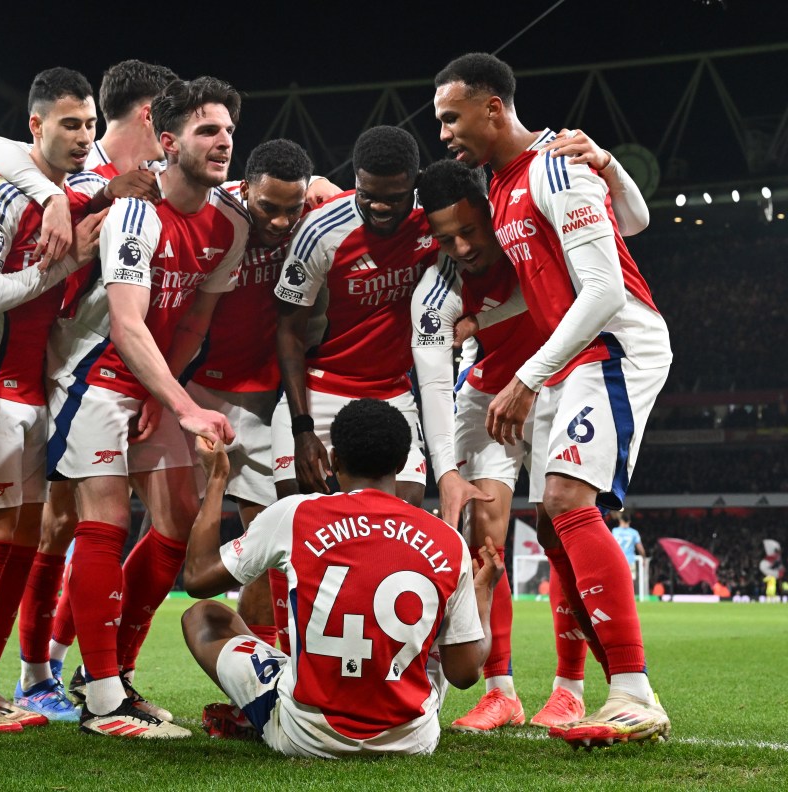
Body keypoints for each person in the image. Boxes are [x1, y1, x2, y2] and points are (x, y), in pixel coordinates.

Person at [433, 52, 672, 747]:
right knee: (560, 518)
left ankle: (630, 690)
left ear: (493, 108)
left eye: (452, 117)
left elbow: (603, 290)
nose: (445, 132)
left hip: (617, 345)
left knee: (567, 502)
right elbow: (635, 220)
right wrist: (613, 168)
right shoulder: (506, 183)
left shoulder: (554, 168)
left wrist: (526, 377)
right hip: (578, 359)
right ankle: (604, 686)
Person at [0, 59, 180, 721]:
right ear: (151, 116)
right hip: (58, 376)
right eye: (170, 120)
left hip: (118, 378)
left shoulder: (157, 187)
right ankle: (38, 674)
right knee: (57, 528)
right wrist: (60, 196)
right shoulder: (76, 175)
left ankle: (88, 670)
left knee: (118, 525)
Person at [43, 76, 246, 739]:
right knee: (99, 517)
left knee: (179, 523)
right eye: (207, 130)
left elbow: (191, 324)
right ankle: (100, 700)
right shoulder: (137, 208)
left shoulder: (232, 224)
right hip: (95, 373)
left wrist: (168, 395)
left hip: (153, 381)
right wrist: (185, 405)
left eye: (229, 132)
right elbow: (128, 324)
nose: (223, 142)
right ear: (168, 141)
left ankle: (115, 674)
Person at [181, 398, 502, 757]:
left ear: (333, 461)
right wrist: (482, 592)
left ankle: (269, 703)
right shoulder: (447, 539)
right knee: (441, 632)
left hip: (306, 737)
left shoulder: (296, 514)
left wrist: (217, 478)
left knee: (204, 617)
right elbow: (464, 673)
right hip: (411, 741)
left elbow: (197, 578)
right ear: (400, 464)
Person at [0, 66, 104, 732]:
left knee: (26, 536)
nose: (83, 137)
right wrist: (63, 264)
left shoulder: (68, 190)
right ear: (36, 125)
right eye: (70, 124)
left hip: (34, 380)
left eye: (89, 124)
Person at [273, 126, 474, 510]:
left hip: (392, 392)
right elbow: (288, 332)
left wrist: (471, 321)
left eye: (393, 199)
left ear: (415, 184)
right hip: (320, 390)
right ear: (355, 181)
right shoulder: (320, 231)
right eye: (368, 196)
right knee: (299, 519)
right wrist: (303, 428)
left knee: (402, 515)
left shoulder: (434, 220)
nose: (379, 207)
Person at [187, 139, 320, 656]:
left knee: (263, 546)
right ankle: (87, 669)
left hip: (266, 401)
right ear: (244, 189)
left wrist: (600, 163)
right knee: (166, 536)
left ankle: (260, 675)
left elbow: (391, 196)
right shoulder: (212, 214)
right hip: (194, 391)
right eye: (270, 207)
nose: (284, 221)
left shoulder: (318, 212)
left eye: (294, 208)